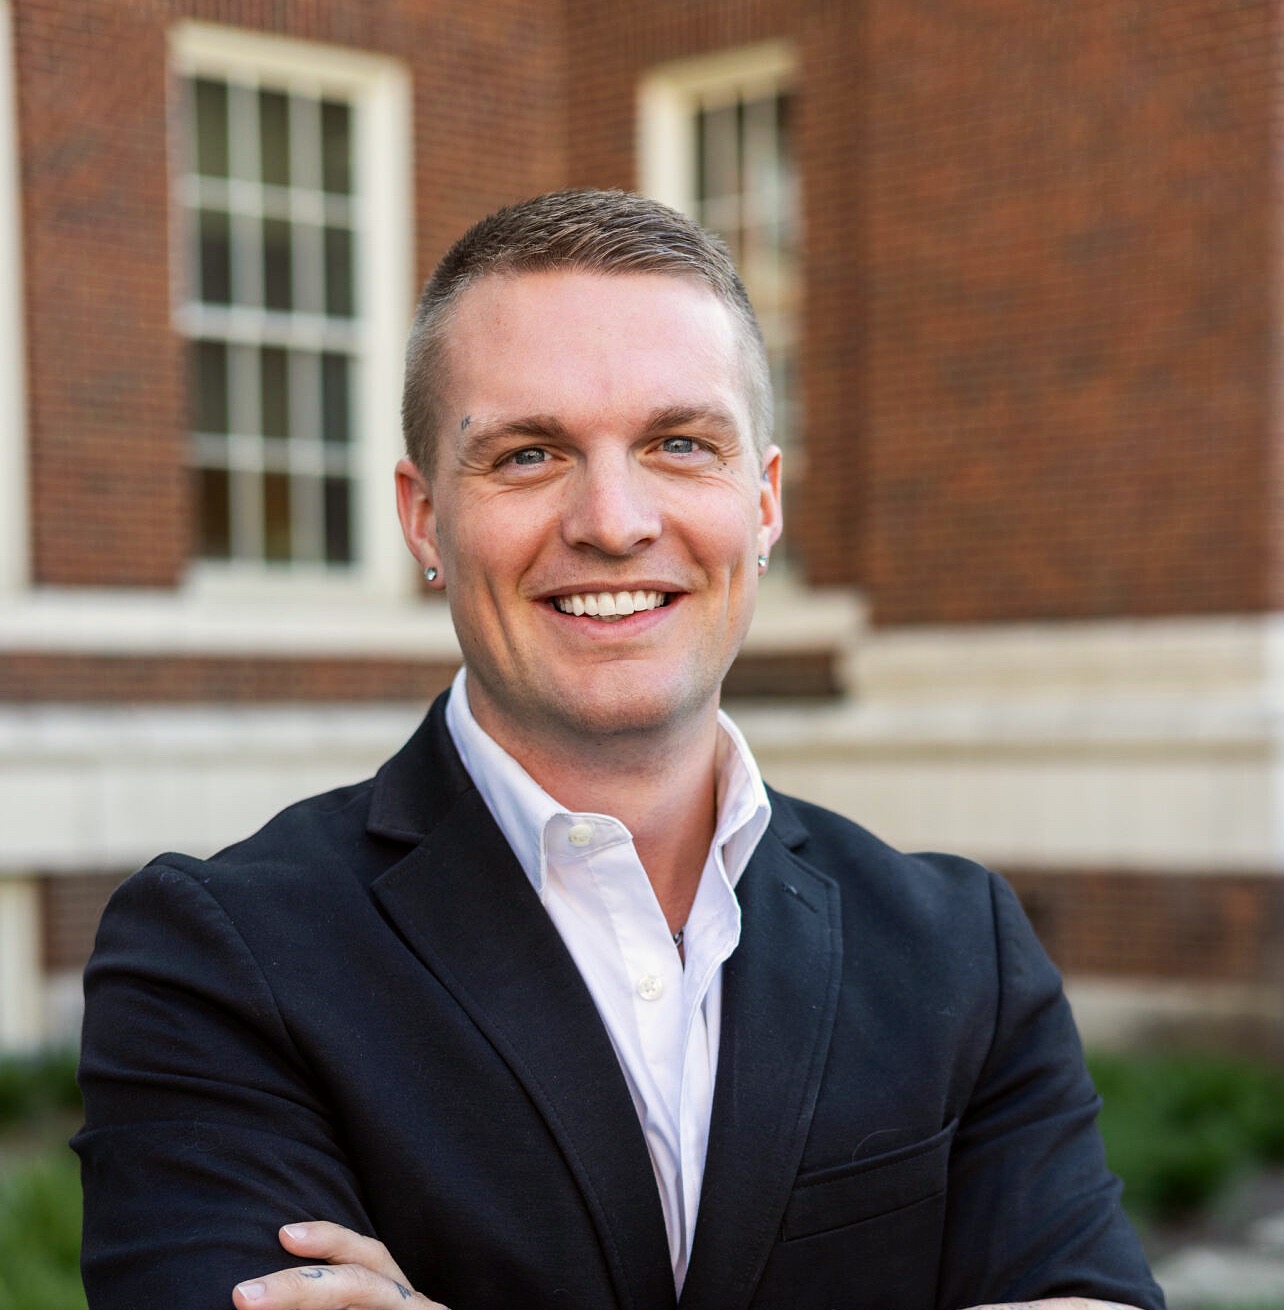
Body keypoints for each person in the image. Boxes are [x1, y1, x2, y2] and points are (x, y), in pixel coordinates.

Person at [75, 189, 1166, 1310]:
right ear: (423, 517)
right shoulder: (219, 960)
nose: (612, 519)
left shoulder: (961, 952)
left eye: (679, 444)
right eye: (529, 454)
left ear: (764, 501)